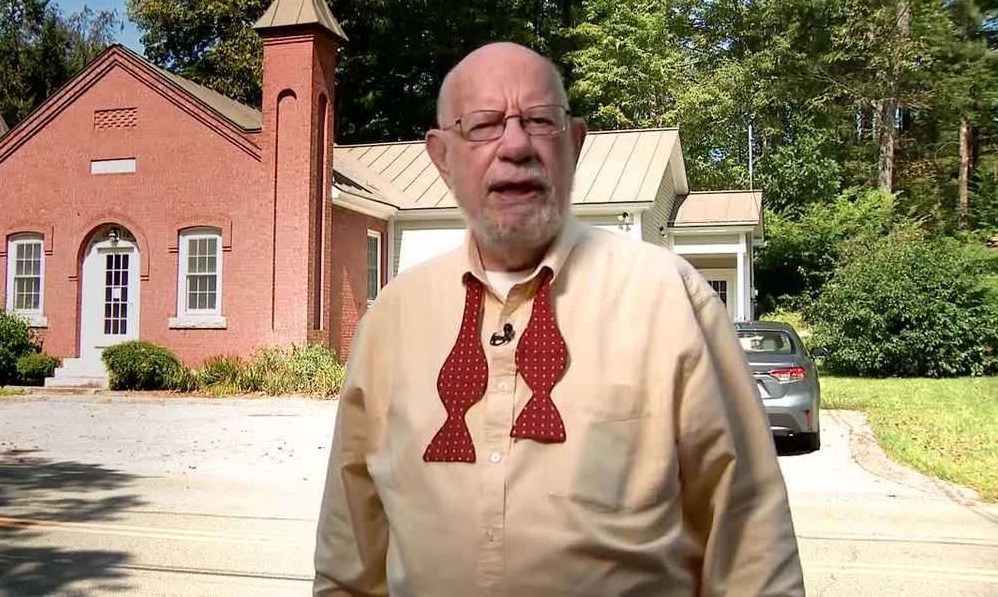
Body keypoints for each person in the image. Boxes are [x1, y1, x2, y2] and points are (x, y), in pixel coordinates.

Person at [313, 42, 804, 596]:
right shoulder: (392, 321)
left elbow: (750, 536)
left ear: (574, 145)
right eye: (484, 125)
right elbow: (348, 558)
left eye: (540, 121)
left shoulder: (669, 299)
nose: (516, 144)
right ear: (443, 157)